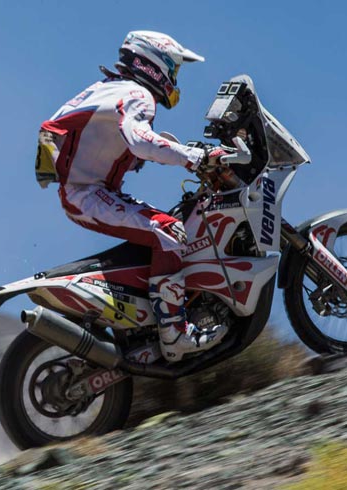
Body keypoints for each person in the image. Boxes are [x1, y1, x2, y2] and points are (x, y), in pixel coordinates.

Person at [35, 31, 230, 362]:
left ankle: (146, 319)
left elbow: (112, 140)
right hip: (87, 195)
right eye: (174, 69)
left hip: (88, 190)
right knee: (169, 232)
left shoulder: (112, 87)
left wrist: (171, 153)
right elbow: (141, 142)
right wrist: (196, 157)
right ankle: (174, 335)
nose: (174, 79)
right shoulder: (139, 95)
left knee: (166, 224)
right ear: (156, 64)